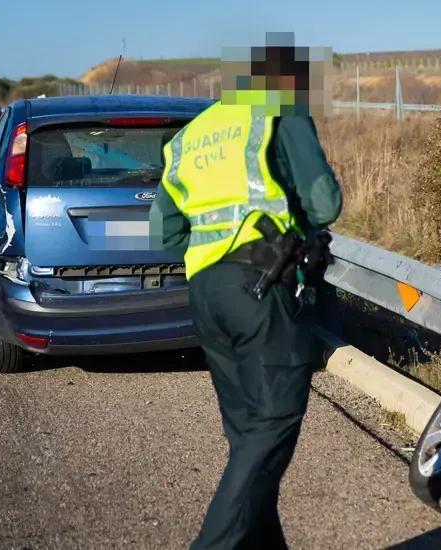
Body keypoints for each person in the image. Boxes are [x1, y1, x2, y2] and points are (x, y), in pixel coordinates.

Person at [149, 38, 343, 549]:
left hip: (206, 295)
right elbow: (324, 204)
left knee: (248, 439)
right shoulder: (280, 110)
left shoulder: (192, 135)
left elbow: (163, 234)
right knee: (274, 420)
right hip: (261, 285)